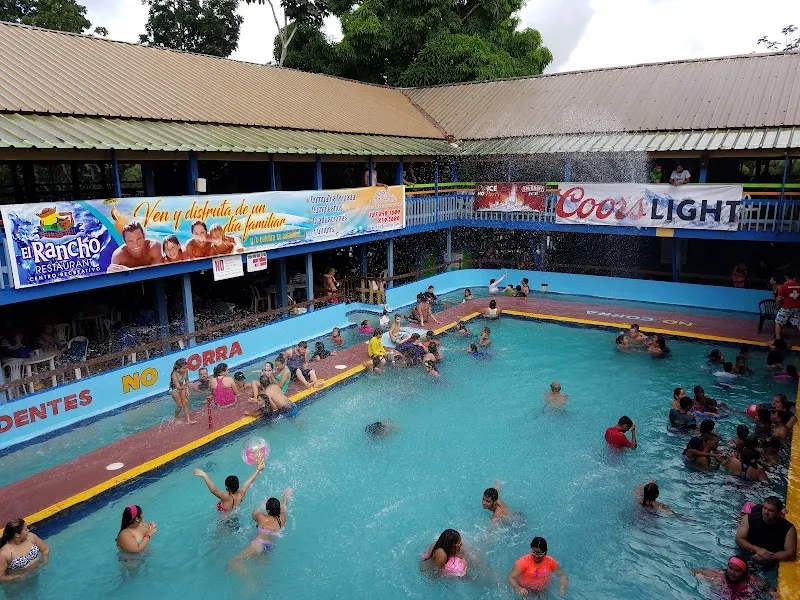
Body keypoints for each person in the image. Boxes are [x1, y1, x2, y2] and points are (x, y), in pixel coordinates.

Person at [229, 488, 293, 572]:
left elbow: (254, 513)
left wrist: (262, 505)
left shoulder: (262, 518)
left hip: (259, 544)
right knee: (259, 572)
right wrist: (285, 496)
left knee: (234, 562)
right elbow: (284, 506)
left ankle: (250, 579)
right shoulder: (282, 518)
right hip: (270, 547)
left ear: (268, 510)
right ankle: (254, 580)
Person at [735, 496, 797, 567]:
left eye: (771, 511)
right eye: (764, 508)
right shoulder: (749, 518)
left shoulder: (789, 529)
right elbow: (739, 539)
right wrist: (757, 549)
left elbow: (791, 554)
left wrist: (769, 557)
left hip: (770, 559)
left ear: (779, 513)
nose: (766, 512)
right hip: (747, 552)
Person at [193, 463, 263, 512]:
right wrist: (258, 470)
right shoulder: (241, 494)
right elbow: (249, 481)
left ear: (227, 488)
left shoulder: (226, 497)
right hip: (234, 517)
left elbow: (214, 490)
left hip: (224, 522)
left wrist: (204, 475)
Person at [692, 557, 773, 598]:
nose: (732, 572)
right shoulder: (719, 575)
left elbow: (770, 590)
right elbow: (694, 571)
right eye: (730, 568)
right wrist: (703, 579)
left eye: (737, 570)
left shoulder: (754, 582)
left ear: (744, 573)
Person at [775, 270, 800, 340]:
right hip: (797, 308)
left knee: (778, 322)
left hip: (786, 308)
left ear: (786, 277)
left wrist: (776, 308)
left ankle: (778, 341)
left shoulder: (783, 286)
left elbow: (779, 299)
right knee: (798, 324)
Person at [170, 358, 196, 424]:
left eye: (186, 367)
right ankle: (175, 419)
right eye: (184, 368)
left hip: (182, 387)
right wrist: (186, 388)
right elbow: (177, 387)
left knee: (185, 403)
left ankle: (188, 420)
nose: (186, 369)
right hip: (174, 389)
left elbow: (186, 381)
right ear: (178, 369)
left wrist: (187, 389)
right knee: (180, 405)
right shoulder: (174, 374)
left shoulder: (185, 371)